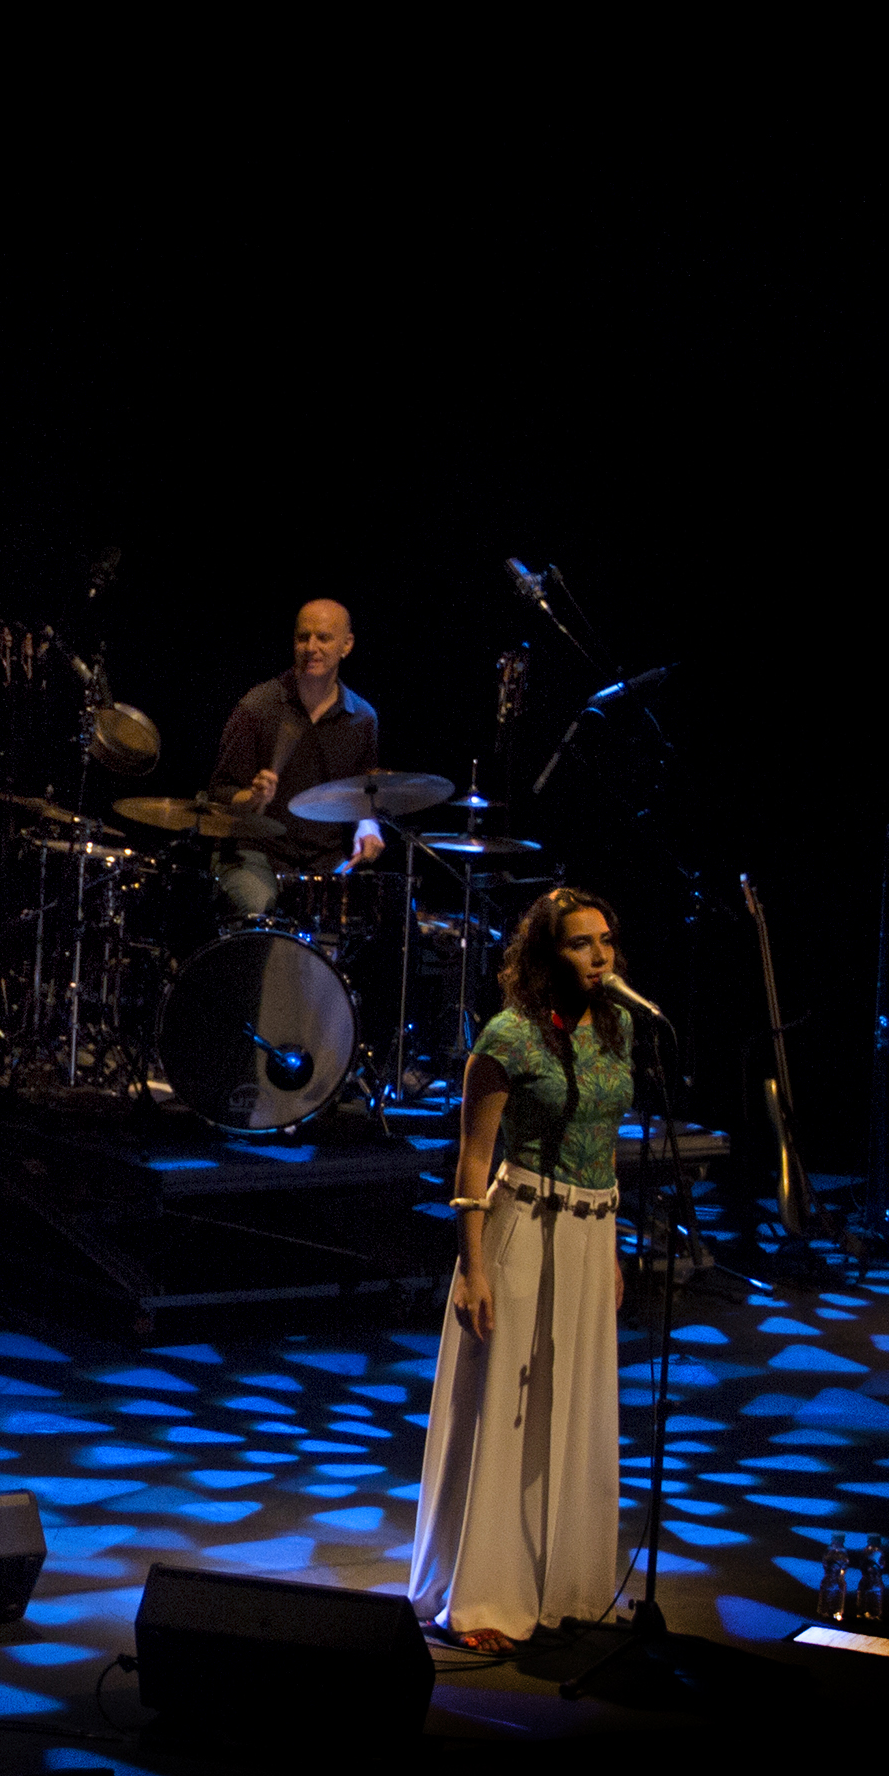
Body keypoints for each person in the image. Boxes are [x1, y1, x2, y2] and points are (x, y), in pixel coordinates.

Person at [408, 889, 632, 1655]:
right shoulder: (507, 1038)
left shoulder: (616, 1026)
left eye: (605, 940)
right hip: (522, 1230)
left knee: (574, 1407)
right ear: (544, 956)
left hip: (588, 1232)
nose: (598, 956)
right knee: (505, 1411)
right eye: (579, 943)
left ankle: (563, 1587)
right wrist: (471, 1270)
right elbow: (472, 1163)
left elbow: (605, 1145)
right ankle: (480, 1595)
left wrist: (609, 1248)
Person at [209, 599, 390, 911]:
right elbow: (219, 792)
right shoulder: (258, 706)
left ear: (347, 645)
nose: (311, 647)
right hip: (254, 852)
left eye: (323, 638)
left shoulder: (362, 718)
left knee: (378, 911)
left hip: (324, 859)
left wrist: (368, 827)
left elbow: (365, 794)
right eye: (303, 637)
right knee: (262, 909)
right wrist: (252, 798)